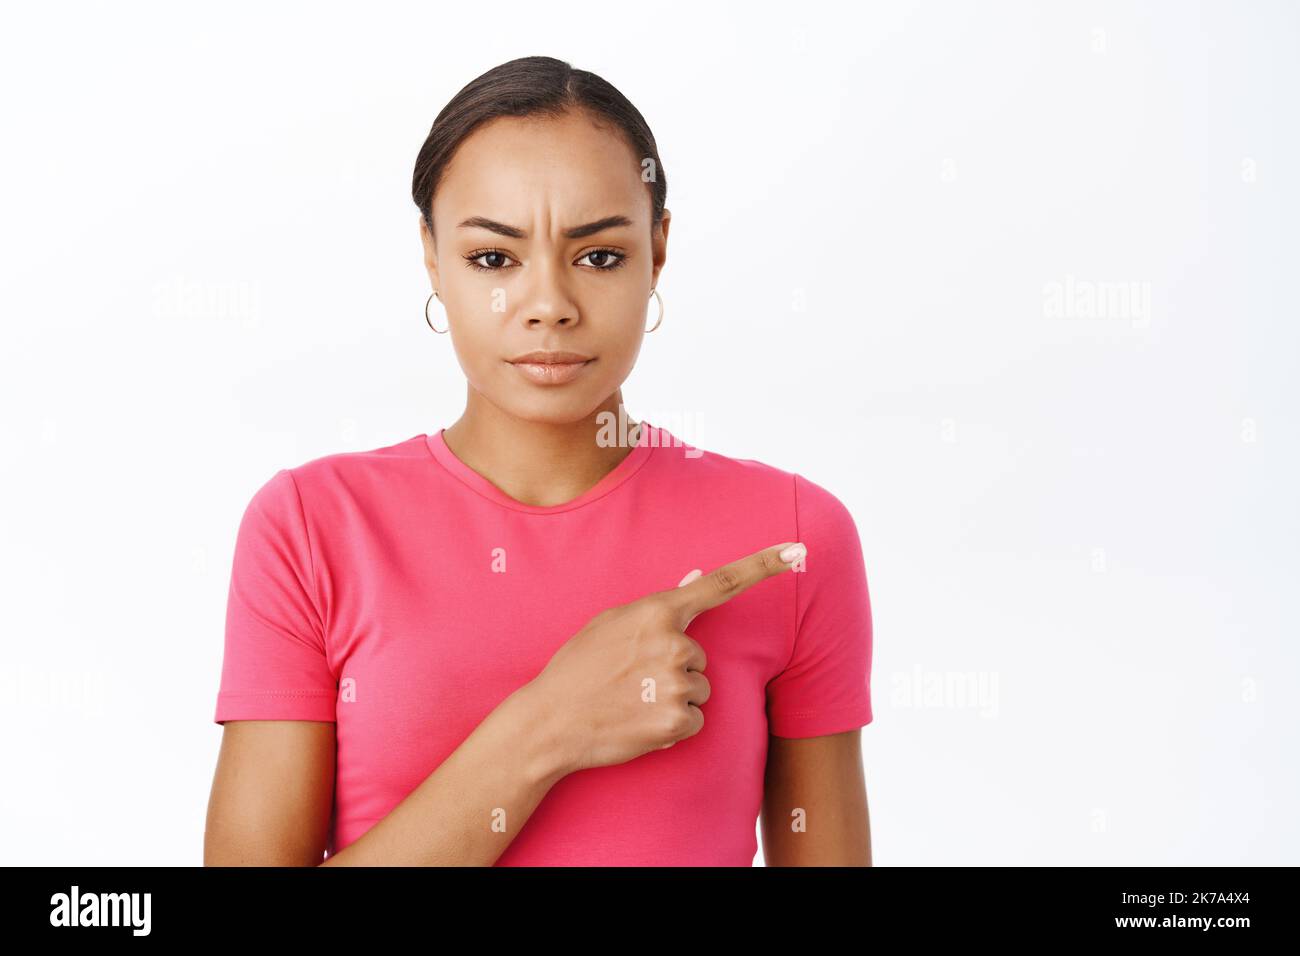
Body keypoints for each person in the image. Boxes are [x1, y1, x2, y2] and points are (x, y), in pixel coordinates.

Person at [204, 55, 874, 866]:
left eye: (598, 256)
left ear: (658, 251)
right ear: (432, 257)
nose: (549, 305)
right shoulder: (311, 527)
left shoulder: (792, 536)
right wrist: (549, 724)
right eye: (494, 259)